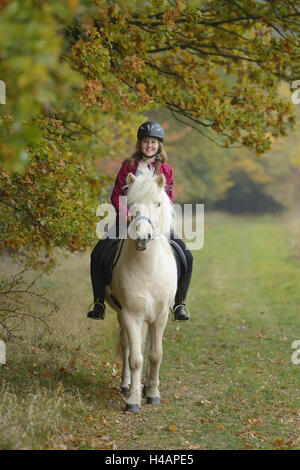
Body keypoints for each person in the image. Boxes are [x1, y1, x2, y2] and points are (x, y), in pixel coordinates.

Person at [87, 121, 193, 321]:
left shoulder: (166, 170)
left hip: (155, 222)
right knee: (98, 253)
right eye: (146, 142)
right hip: (129, 220)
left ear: (159, 145)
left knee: (186, 255)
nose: (150, 146)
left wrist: (158, 218)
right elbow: (117, 194)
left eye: (153, 142)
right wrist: (126, 212)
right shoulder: (128, 165)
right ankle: (99, 302)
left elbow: (168, 199)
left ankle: (179, 304)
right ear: (140, 144)